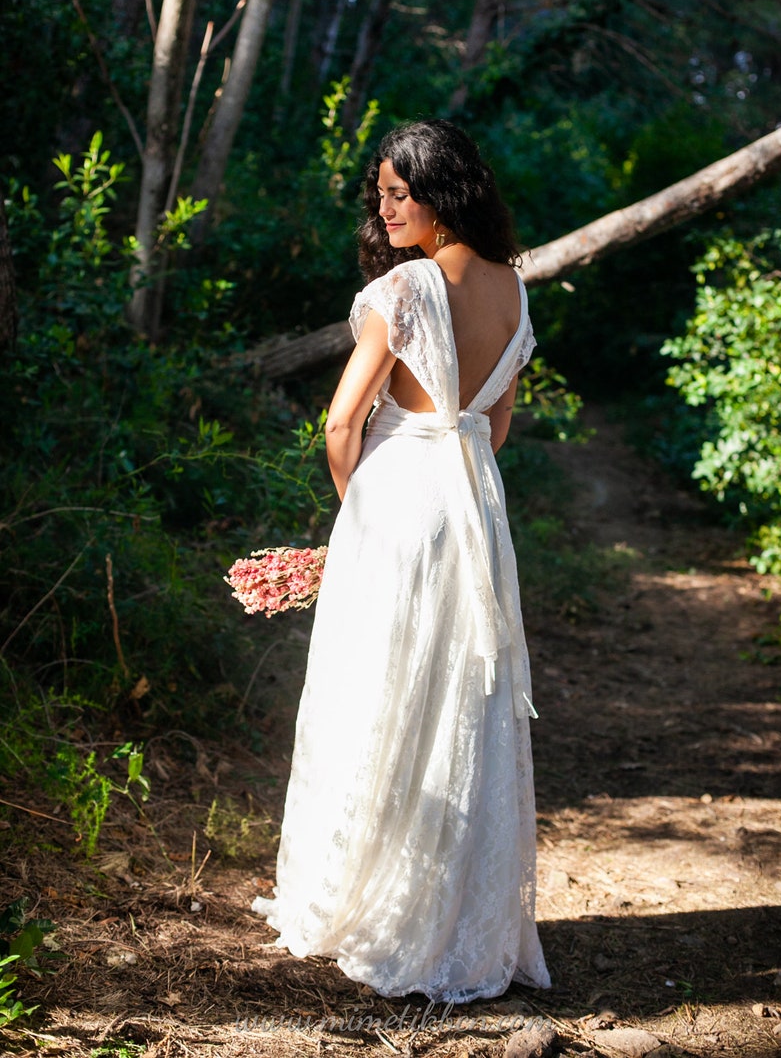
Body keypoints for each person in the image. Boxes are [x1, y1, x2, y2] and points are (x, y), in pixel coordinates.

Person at [261, 119, 550, 1003]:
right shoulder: (513, 288)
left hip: (398, 499)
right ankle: (457, 918)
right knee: (460, 697)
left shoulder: (409, 287)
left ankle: (371, 906)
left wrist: (359, 512)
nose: (383, 207)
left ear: (441, 193)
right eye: (379, 192)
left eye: (398, 191)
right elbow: (494, 426)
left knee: (372, 692)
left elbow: (342, 423)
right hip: (474, 502)